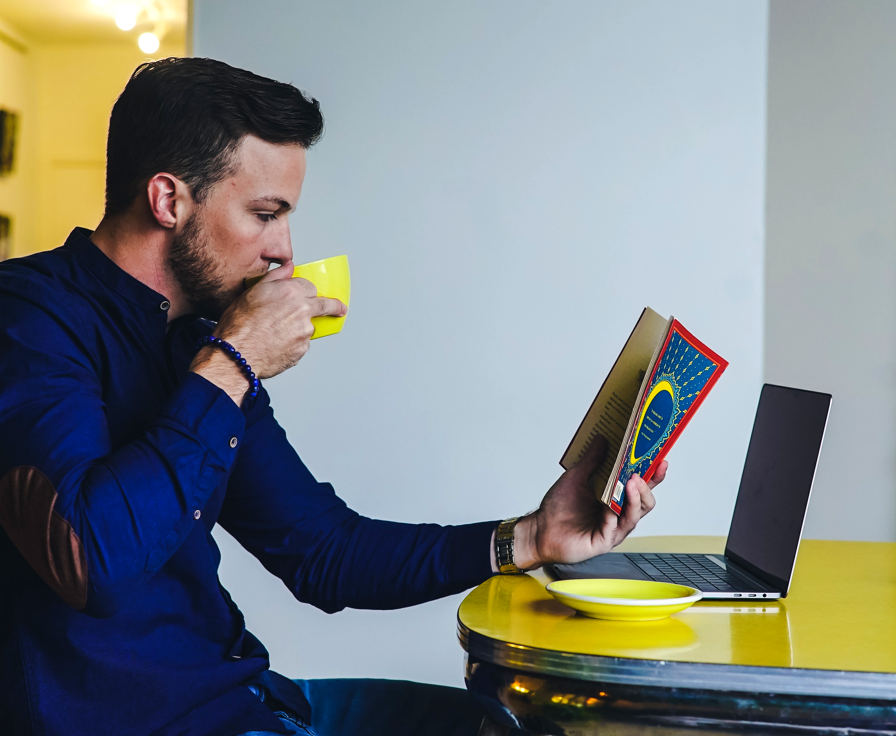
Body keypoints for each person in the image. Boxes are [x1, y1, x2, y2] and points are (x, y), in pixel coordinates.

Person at [0, 57, 666, 736]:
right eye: (265, 214)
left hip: (242, 698)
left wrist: (530, 537)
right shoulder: (27, 319)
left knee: (512, 724)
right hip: (153, 723)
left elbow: (323, 553)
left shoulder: (197, 343)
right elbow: (90, 558)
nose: (283, 252)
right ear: (169, 200)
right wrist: (234, 363)